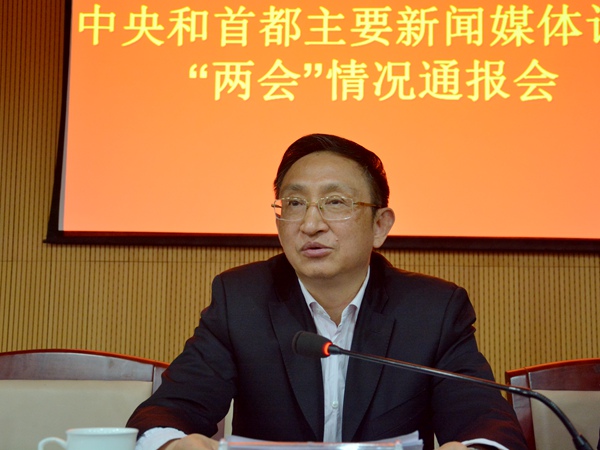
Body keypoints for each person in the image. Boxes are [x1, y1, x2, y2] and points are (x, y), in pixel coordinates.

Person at [127, 134, 528, 450]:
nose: (310, 224)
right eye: (294, 203)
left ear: (380, 225)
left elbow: (487, 422)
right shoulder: (241, 300)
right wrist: (173, 444)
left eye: (335, 202)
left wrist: (476, 448)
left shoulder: (432, 310)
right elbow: (167, 411)